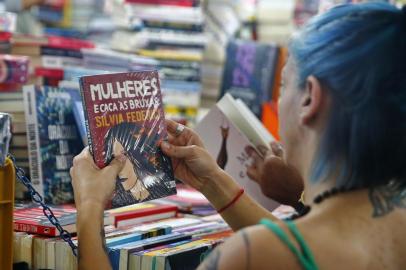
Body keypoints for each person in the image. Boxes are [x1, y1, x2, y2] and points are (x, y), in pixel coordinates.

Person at [70, 2, 406, 269]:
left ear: (309, 99)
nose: (279, 98)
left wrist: (89, 204)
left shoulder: (251, 255)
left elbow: (281, 249)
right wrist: (213, 181)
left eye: (284, 83)